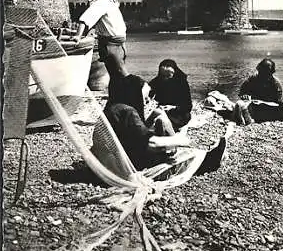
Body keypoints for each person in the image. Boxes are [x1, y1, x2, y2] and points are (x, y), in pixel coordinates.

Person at [91, 67, 227, 175]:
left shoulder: (114, 108)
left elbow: (132, 136)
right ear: (133, 94)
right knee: (180, 157)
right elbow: (151, 143)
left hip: (114, 161)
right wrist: (181, 140)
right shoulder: (128, 112)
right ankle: (206, 162)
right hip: (129, 166)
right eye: (144, 98)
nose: (147, 101)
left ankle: (200, 157)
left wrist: (151, 118)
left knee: (162, 124)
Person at [73, 0, 128, 79]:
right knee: (122, 75)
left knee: (116, 77)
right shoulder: (103, 1)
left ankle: (116, 96)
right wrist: (78, 36)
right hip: (110, 46)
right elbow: (86, 18)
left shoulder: (113, 2)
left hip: (119, 45)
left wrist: (123, 46)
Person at [233, 58, 283, 125]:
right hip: (256, 107)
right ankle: (246, 116)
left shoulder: (275, 83)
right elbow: (242, 92)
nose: (263, 75)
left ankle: (248, 118)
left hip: (270, 108)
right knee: (242, 104)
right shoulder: (253, 79)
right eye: (261, 72)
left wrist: (262, 102)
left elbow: (279, 104)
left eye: (266, 73)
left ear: (271, 73)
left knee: (280, 113)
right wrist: (244, 95)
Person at [149, 59, 192, 131]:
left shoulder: (182, 83)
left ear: (174, 73)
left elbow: (188, 106)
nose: (165, 79)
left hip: (177, 113)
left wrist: (172, 107)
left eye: (168, 76)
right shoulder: (157, 81)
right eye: (162, 76)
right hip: (161, 110)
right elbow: (147, 95)